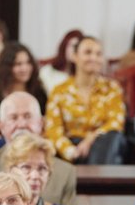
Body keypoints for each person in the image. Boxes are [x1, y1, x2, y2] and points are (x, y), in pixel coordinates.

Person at [44, 36, 125, 164]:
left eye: (98, 54)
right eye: (88, 52)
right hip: (71, 148)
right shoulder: (59, 91)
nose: (94, 58)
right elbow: (53, 130)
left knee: (113, 137)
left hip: (104, 144)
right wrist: (71, 151)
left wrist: (90, 139)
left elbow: (115, 123)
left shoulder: (112, 88)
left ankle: (97, 182)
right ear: (74, 56)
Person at [0, 42, 47, 153]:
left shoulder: (39, 92)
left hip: (34, 145)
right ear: (7, 67)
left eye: (28, 63)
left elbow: (45, 129)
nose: (24, 68)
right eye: (18, 64)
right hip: (2, 146)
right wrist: (16, 140)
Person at [39, 29, 83, 95]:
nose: (74, 50)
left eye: (78, 47)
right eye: (72, 46)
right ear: (64, 46)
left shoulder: (83, 74)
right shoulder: (47, 71)